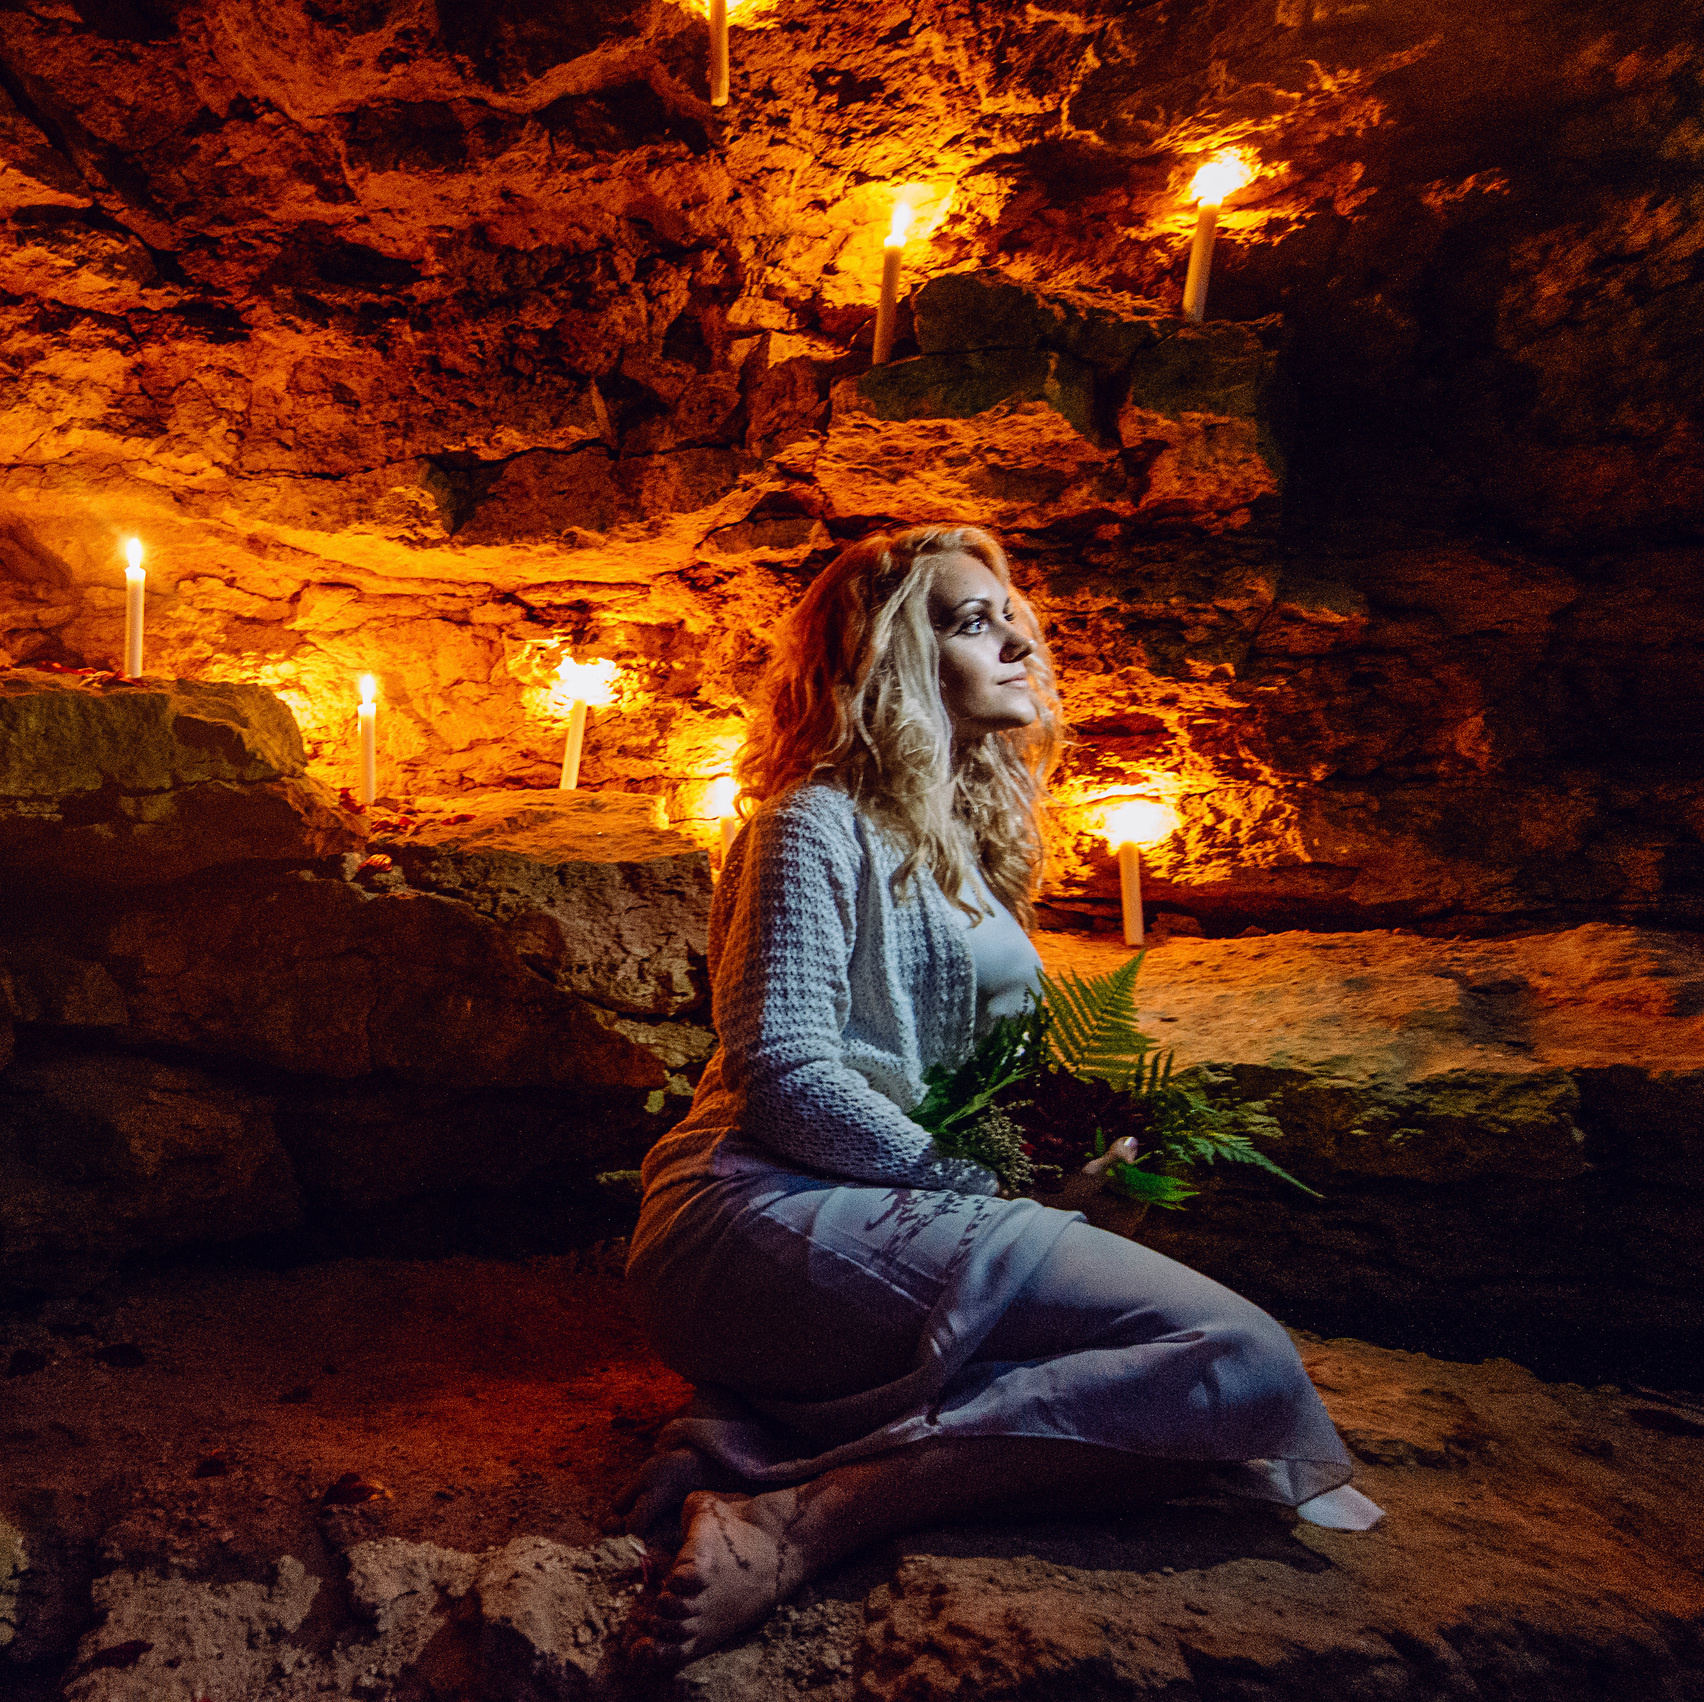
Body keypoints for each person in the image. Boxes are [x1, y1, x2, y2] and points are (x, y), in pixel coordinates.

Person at [615, 524, 1379, 1669]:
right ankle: (803, 1520)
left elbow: (959, 1088)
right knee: (1240, 1358)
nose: (1023, 637)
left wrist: (1071, 1175)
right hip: (756, 1207)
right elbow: (784, 1073)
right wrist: (985, 1187)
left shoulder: (967, 850)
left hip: (883, 1202)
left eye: (1016, 614)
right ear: (882, 660)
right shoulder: (808, 824)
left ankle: (747, 1427)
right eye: (974, 619)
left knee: (1139, 1369)